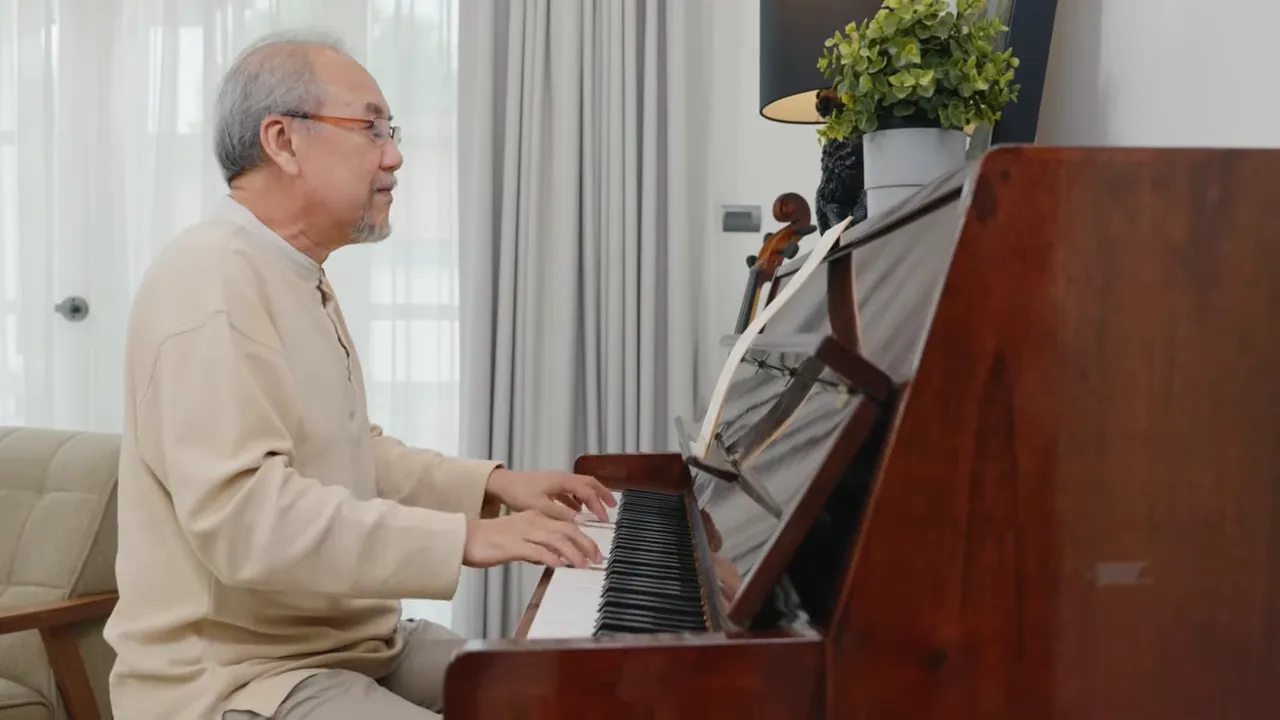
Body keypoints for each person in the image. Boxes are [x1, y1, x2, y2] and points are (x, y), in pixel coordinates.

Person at [103, 31, 615, 720]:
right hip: (241, 676)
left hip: (355, 643)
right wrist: (466, 538)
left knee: (575, 694)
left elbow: (348, 452)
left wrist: (494, 485)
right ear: (283, 141)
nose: (394, 155)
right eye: (371, 128)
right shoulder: (209, 281)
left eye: (390, 131)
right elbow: (247, 520)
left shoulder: (290, 271)